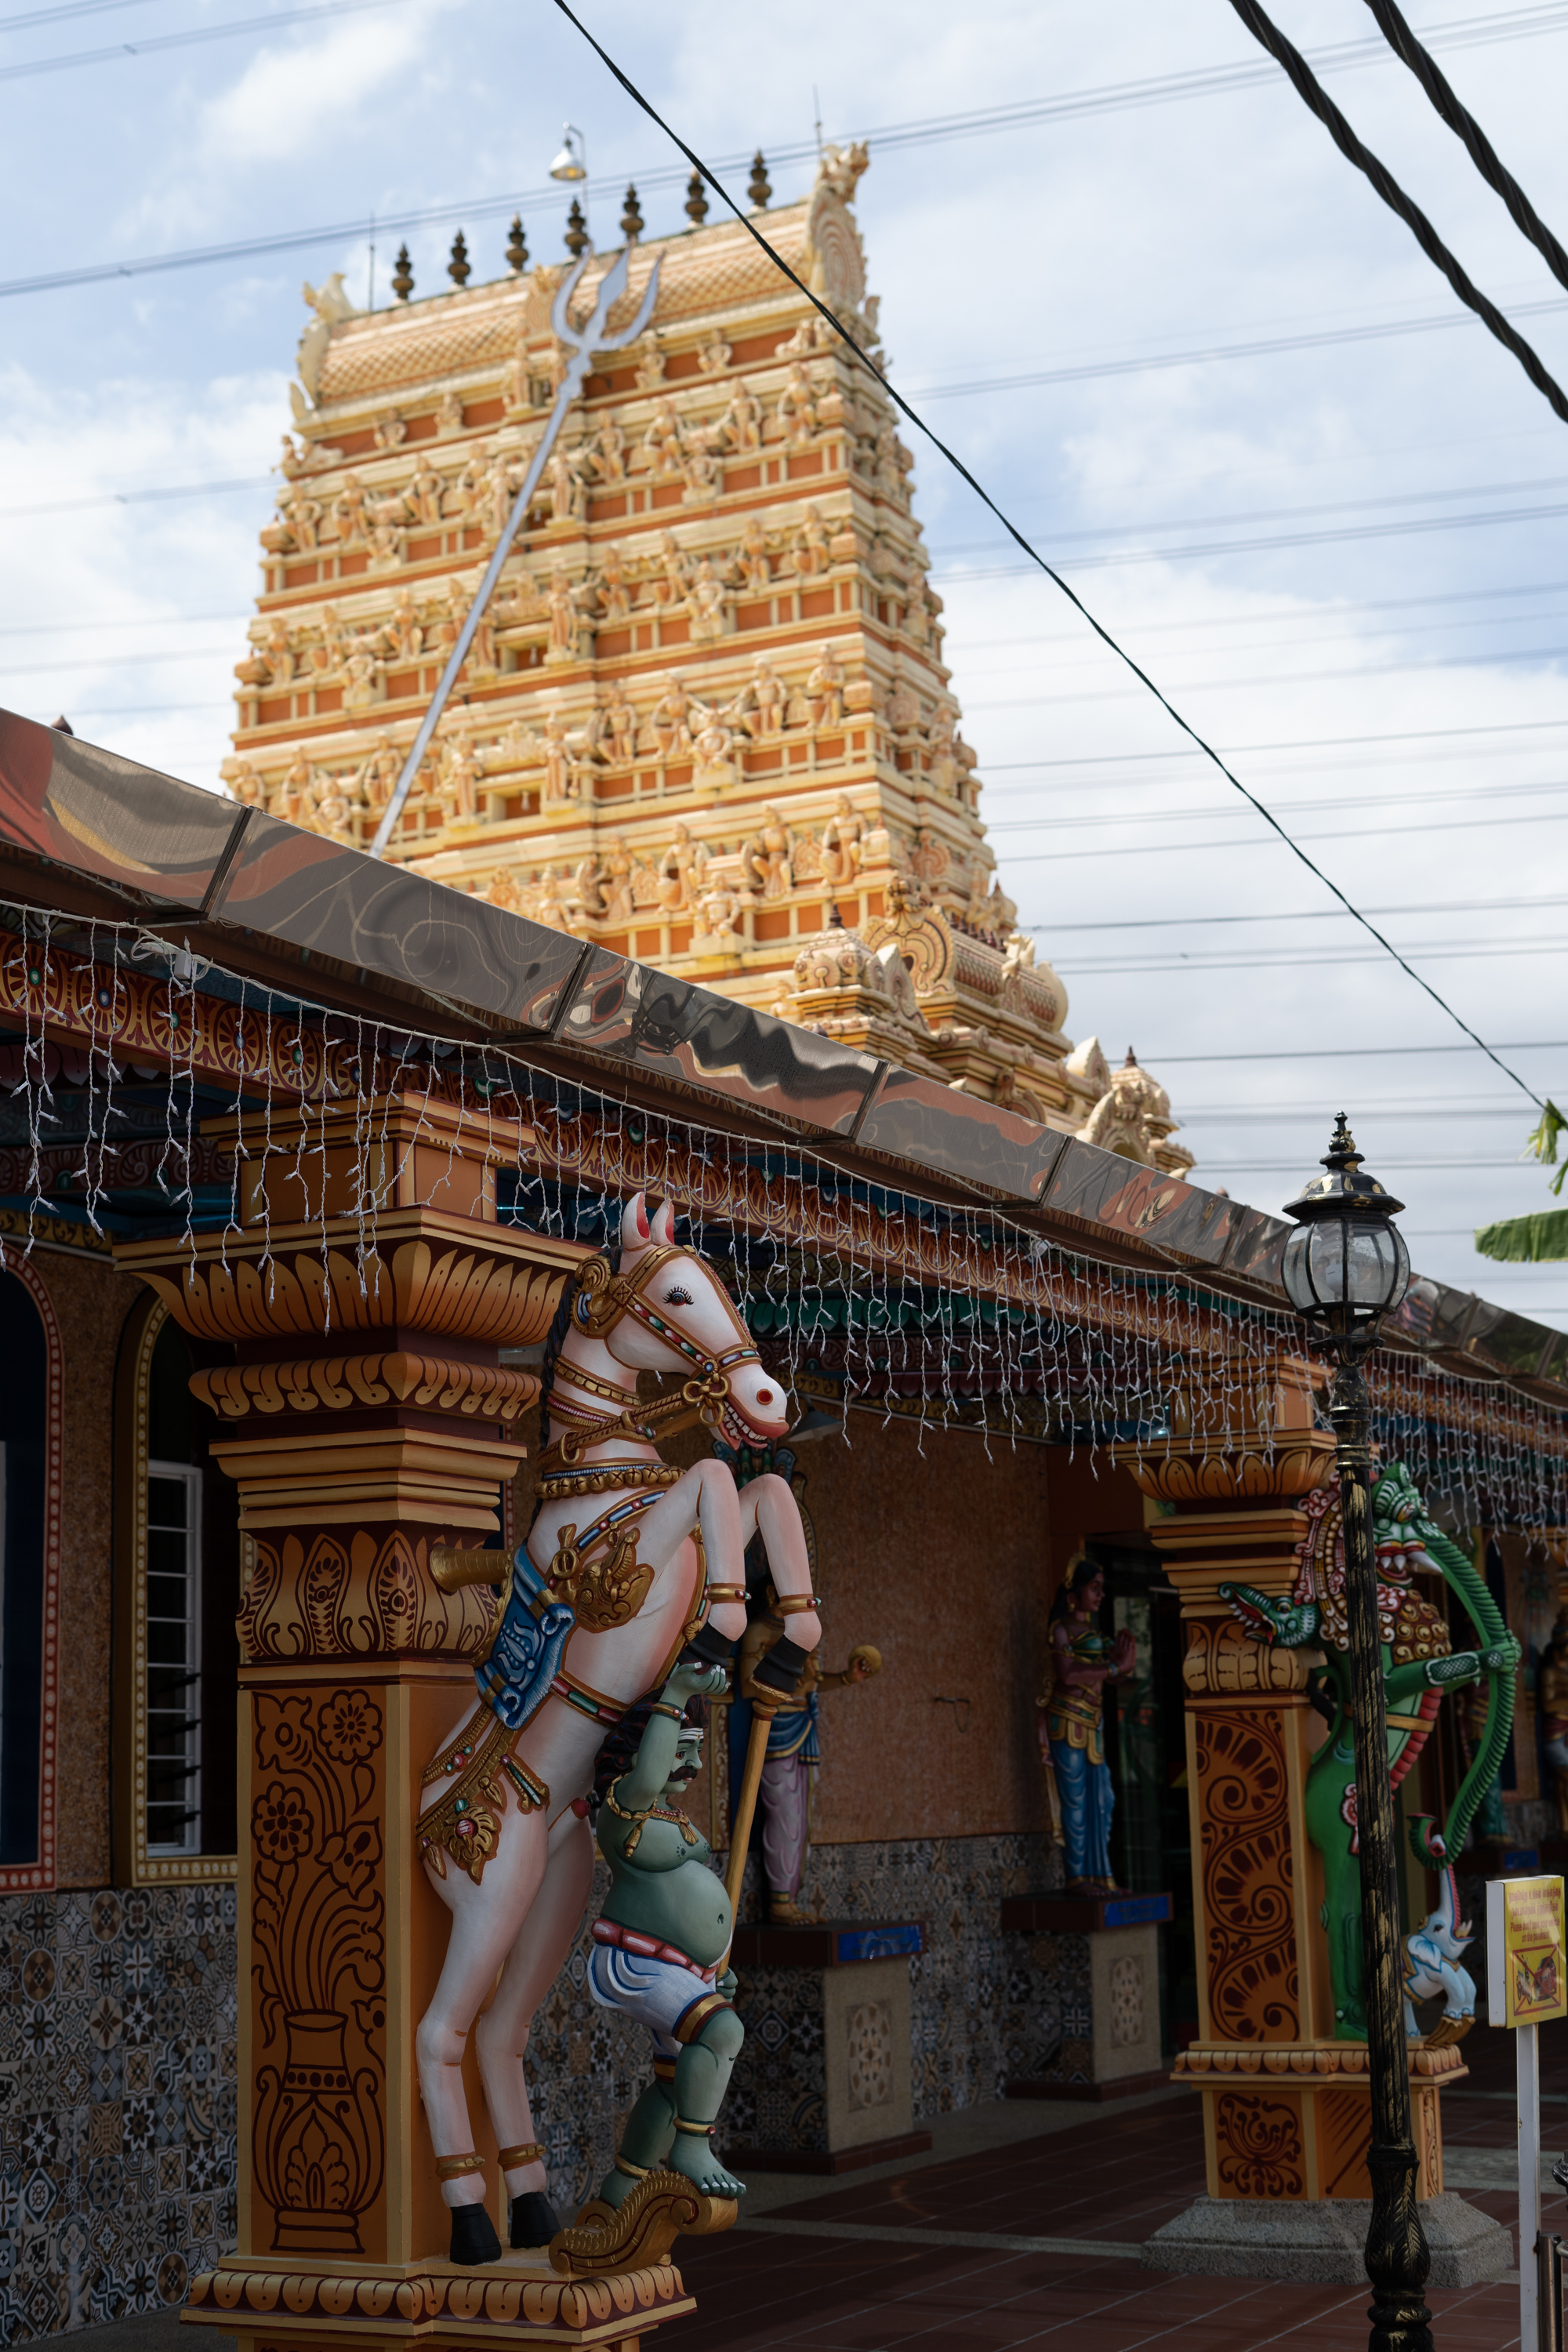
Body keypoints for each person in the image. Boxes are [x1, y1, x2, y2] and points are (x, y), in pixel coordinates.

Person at [587, 1664, 746, 2206]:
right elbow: (649, 1773)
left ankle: (623, 2187)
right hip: (637, 1962)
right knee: (722, 2032)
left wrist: (717, 1969)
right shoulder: (623, 1811)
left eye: (698, 1750)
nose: (694, 1764)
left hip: (685, 1969)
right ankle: (692, 2149)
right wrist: (675, 1693)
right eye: (682, 1749)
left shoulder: (670, 1815)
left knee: (677, 2083)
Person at [731, 1585, 881, 1925]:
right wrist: (790, 1677)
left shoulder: (804, 1631)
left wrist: (847, 1678)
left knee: (802, 1820)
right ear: (774, 1592)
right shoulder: (758, 1631)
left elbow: (813, 1680)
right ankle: (779, 1902)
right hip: (776, 1729)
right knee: (785, 1815)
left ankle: (790, 1898)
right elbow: (748, 1685)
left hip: (804, 1729)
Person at [1039, 1555, 1135, 1894]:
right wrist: (1114, 1668)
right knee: (1076, 1803)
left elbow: (1117, 1675)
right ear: (1073, 1594)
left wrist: (1125, 1662)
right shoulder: (1061, 1631)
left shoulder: (1094, 1634)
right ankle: (1077, 1877)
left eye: (1101, 1589)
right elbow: (1067, 1675)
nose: (1100, 1595)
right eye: (1094, 1588)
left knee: (1102, 1801)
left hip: (1093, 1724)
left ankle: (1101, 1875)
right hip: (1067, 1722)